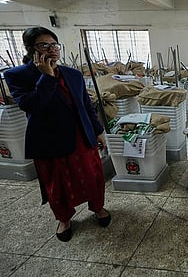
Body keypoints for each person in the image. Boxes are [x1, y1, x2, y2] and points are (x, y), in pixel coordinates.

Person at [4, 27, 111, 242]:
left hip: (81, 136)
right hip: (49, 141)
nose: (51, 49)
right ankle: (64, 219)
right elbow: (31, 105)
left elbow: (86, 105)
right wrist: (47, 76)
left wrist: (98, 130)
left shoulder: (72, 74)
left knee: (92, 176)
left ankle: (98, 207)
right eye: (44, 45)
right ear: (30, 49)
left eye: (54, 45)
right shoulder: (17, 75)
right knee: (58, 184)